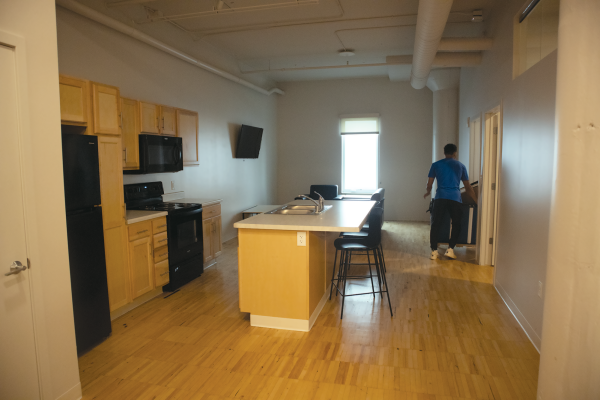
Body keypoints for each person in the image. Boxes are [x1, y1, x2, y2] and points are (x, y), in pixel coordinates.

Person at [424, 143, 478, 260]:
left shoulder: (435, 165)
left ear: (444, 153)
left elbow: (429, 184)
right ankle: (450, 249)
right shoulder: (461, 166)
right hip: (455, 198)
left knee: (435, 224)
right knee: (456, 224)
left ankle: (434, 252)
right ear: (455, 153)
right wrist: (476, 200)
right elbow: (468, 187)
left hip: (440, 197)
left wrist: (428, 192)